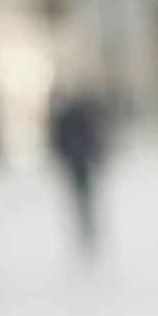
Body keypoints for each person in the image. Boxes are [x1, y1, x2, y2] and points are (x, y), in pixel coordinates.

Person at [48, 76, 109, 253]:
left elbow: (63, 140)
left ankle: (87, 229)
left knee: (83, 197)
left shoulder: (68, 114)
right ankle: (87, 229)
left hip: (78, 161)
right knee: (83, 197)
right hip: (78, 161)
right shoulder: (68, 115)